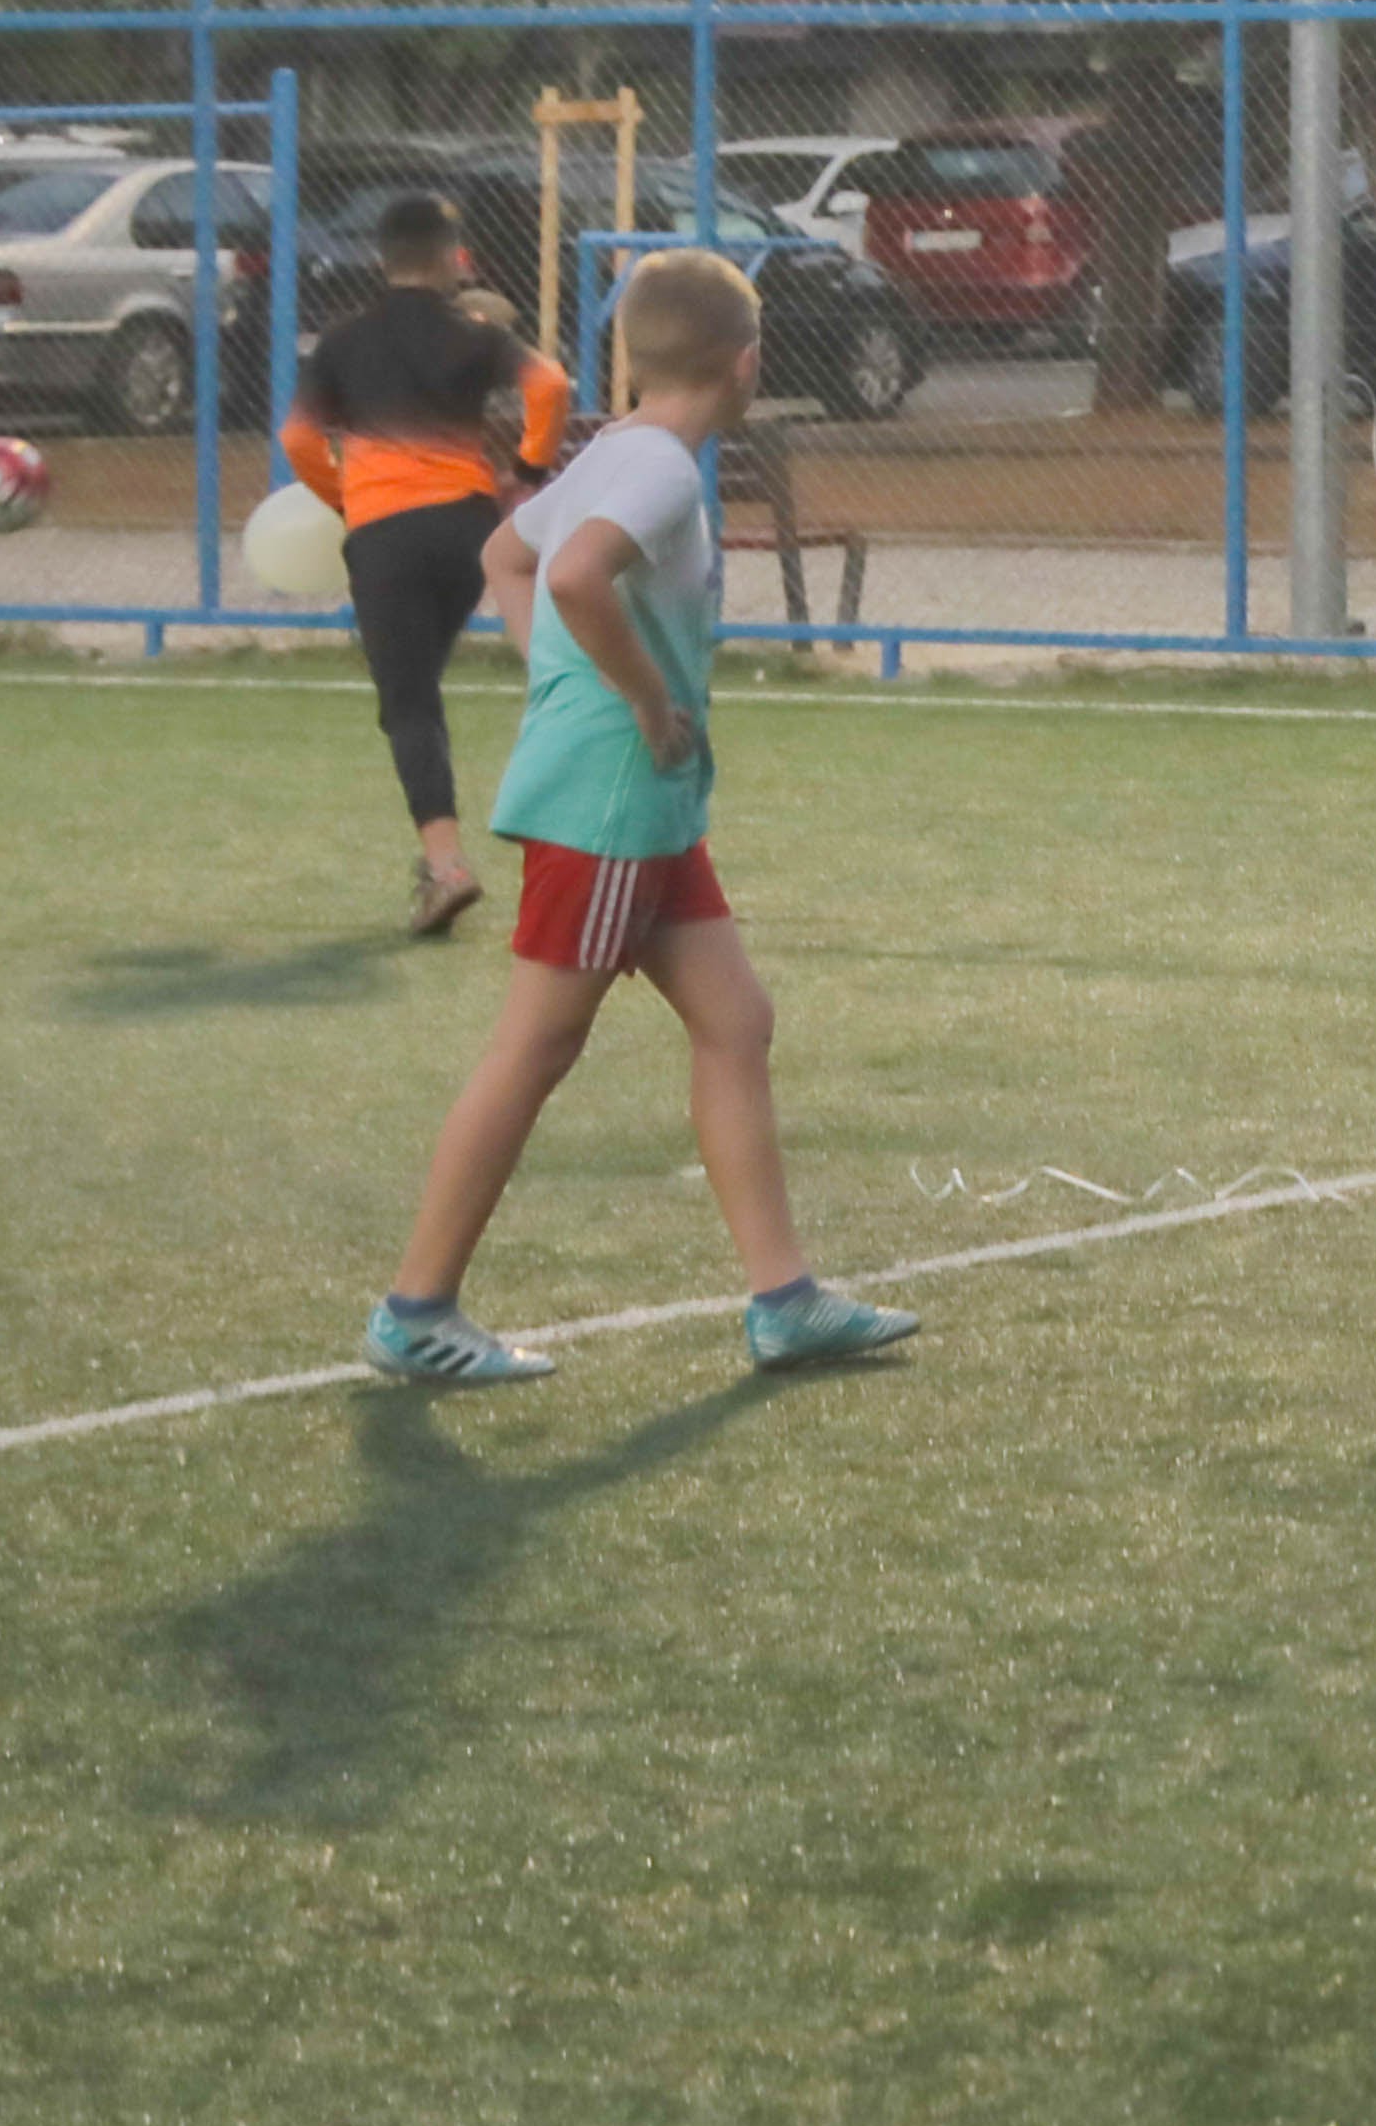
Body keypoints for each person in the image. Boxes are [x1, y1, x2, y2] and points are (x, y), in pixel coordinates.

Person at [360, 248, 919, 1388]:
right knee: (537, 1045)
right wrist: (640, 697)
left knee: (736, 1020)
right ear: (748, 363)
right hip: (614, 799)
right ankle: (415, 1308)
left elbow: (504, 553)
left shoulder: (618, 448)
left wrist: (561, 681)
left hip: (644, 802)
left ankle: (784, 1299)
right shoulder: (660, 469)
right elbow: (569, 578)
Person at [285, 187, 576, 937]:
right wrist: (530, 472)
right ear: (453, 258)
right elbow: (550, 385)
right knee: (424, 688)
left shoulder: (342, 343)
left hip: (386, 532)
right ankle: (537, 835)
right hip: (466, 529)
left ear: (381, 259)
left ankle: (445, 868)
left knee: (407, 701)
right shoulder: (474, 331)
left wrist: (348, 499)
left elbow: (297, 440)